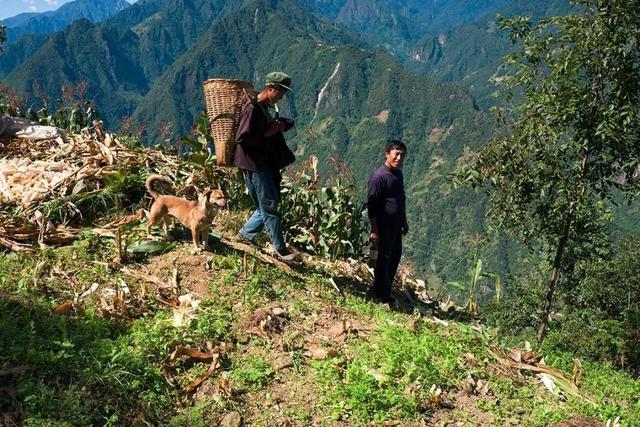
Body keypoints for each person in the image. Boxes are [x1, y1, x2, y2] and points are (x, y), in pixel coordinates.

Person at [233, 71, 300, 263]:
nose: (281, 97)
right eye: (279, 92)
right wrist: (267, 134)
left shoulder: (263, 107)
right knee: (270, 206)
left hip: (259, 164)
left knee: (265, 206)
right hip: (254, 166)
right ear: (270, 88)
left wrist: (280, 126)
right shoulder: (253, 108)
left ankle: (245, 235)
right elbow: (242, 138)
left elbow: (263, 130)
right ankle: (281, 250)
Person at [367, 140, 409, 303]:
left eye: (402, 155)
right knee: (383, 258)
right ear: (387, 154)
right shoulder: (379, 177)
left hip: (396, 225)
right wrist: (374, 229)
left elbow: (401, 199)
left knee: (394, 256)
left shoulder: (398, 175)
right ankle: (381, 293)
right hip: (383, 226)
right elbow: (372, 204)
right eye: (396, 154)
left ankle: (385, 289)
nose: (399, 158)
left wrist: (404, 221)